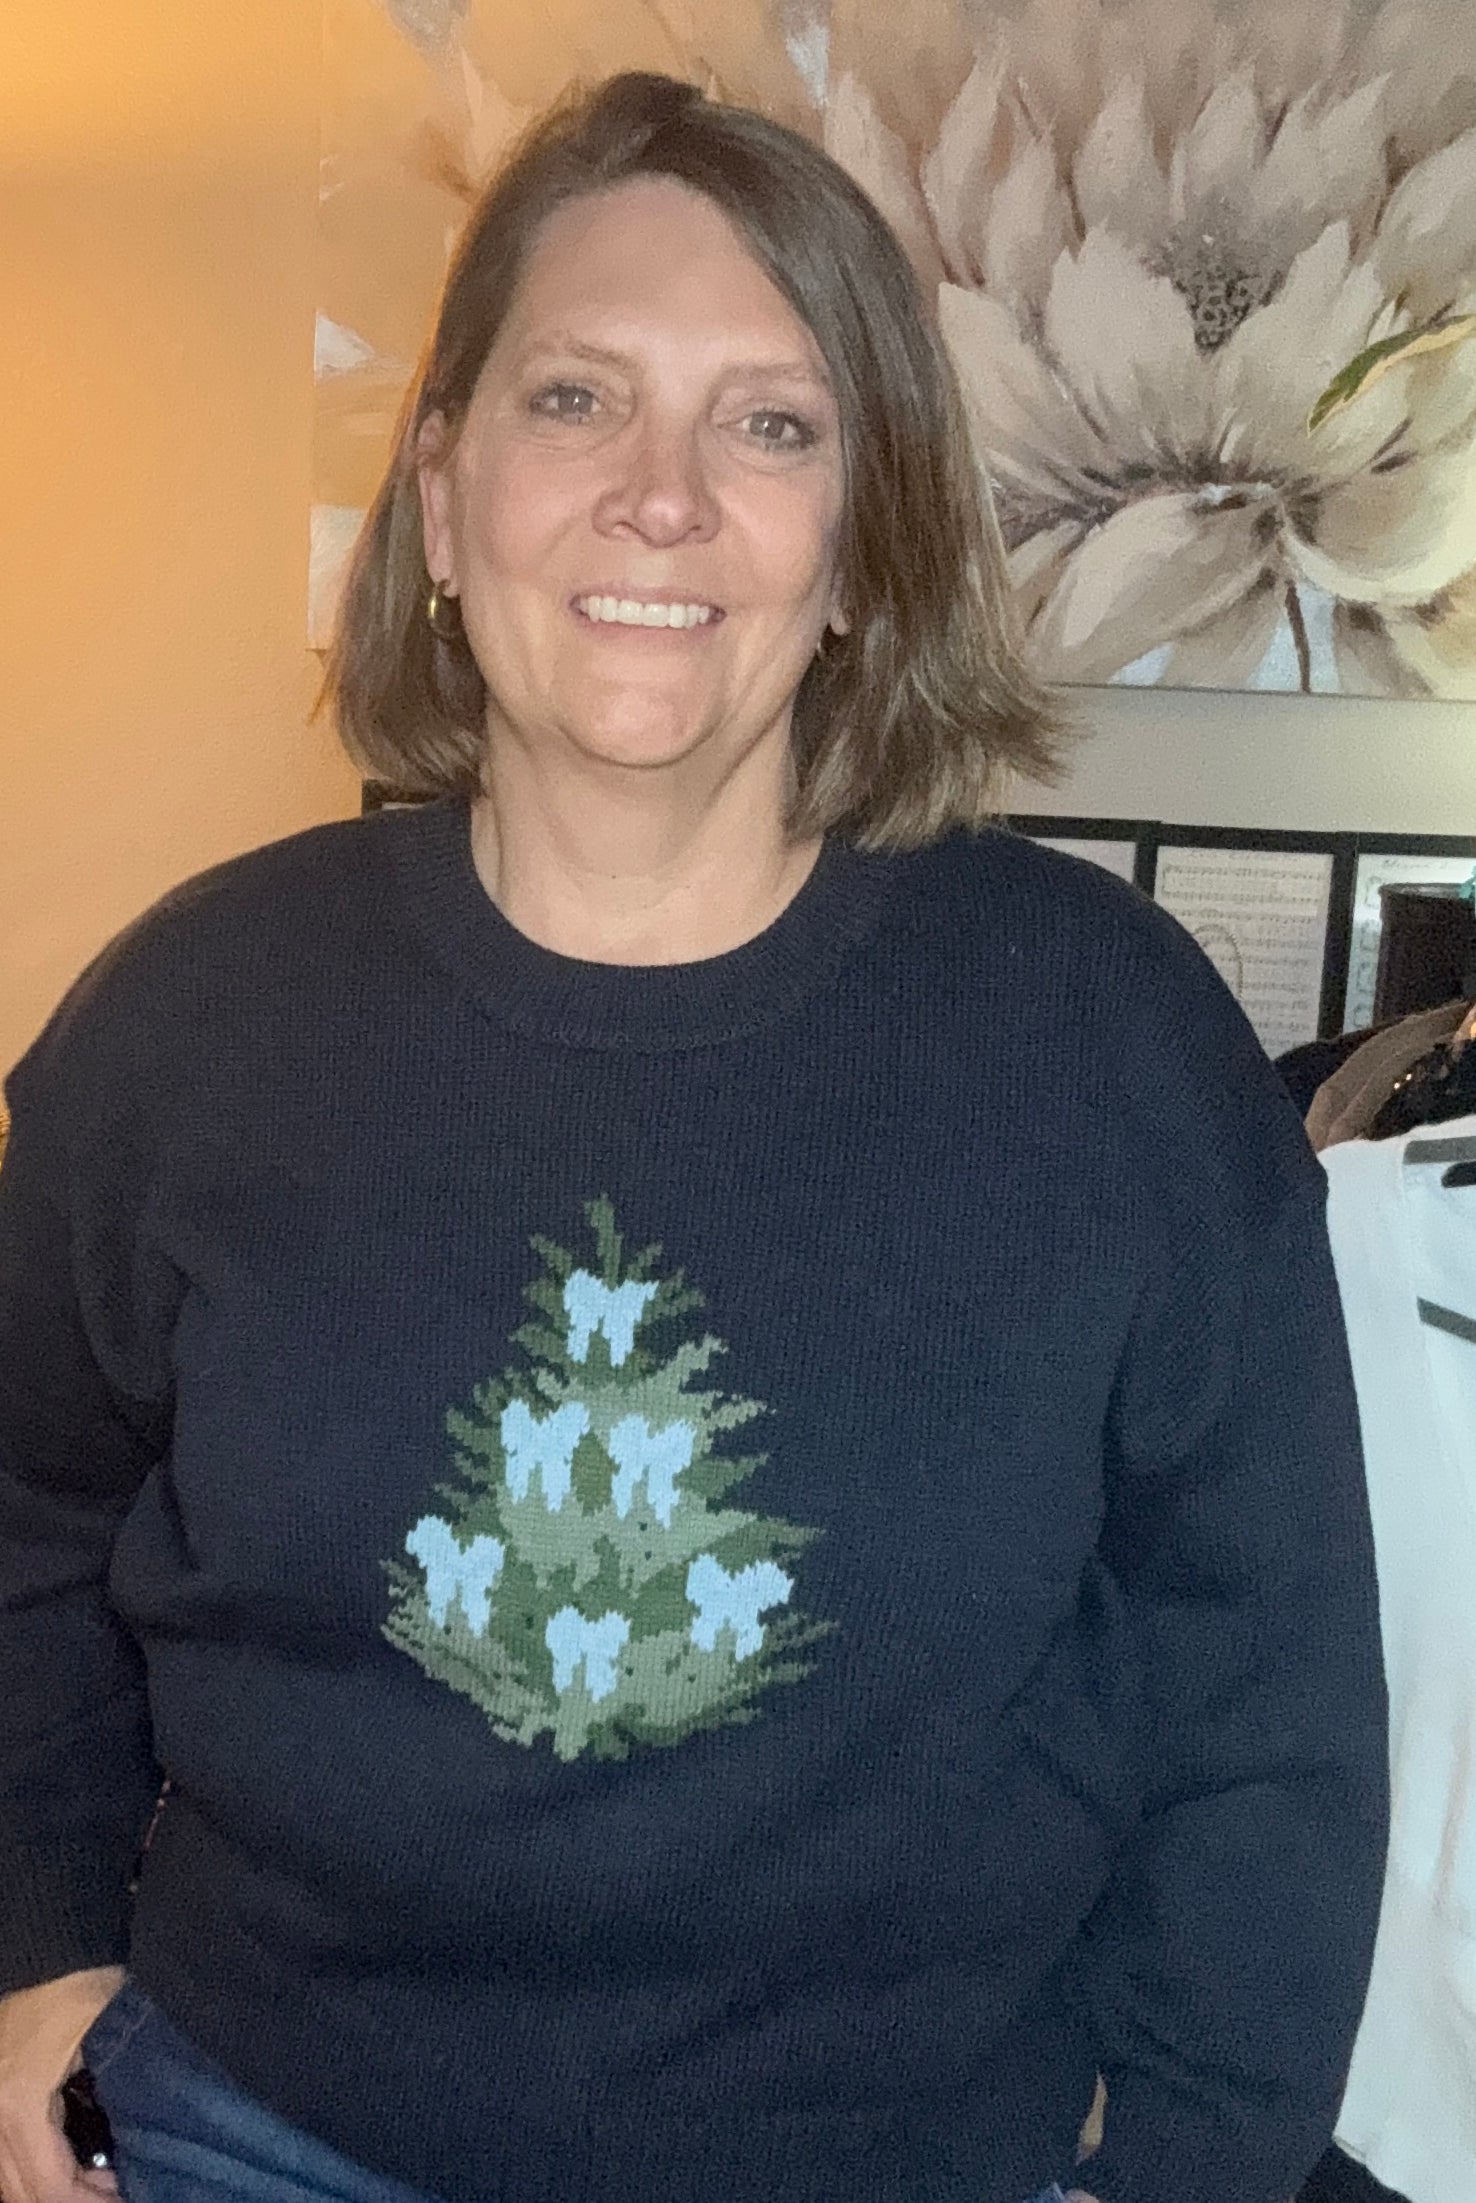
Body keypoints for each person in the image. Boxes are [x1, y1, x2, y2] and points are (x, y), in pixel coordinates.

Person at [0, 69, 1387, 2203]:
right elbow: (27, 1517)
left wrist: (1199, 2162)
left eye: (771, 424)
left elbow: (1268, 1690)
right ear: (442, 492)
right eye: (576, 400)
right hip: (255, 2134)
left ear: (860, 552)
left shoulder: (1111, 1049)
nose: (660, 497)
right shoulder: (188, 1021)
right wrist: (34, 1943)